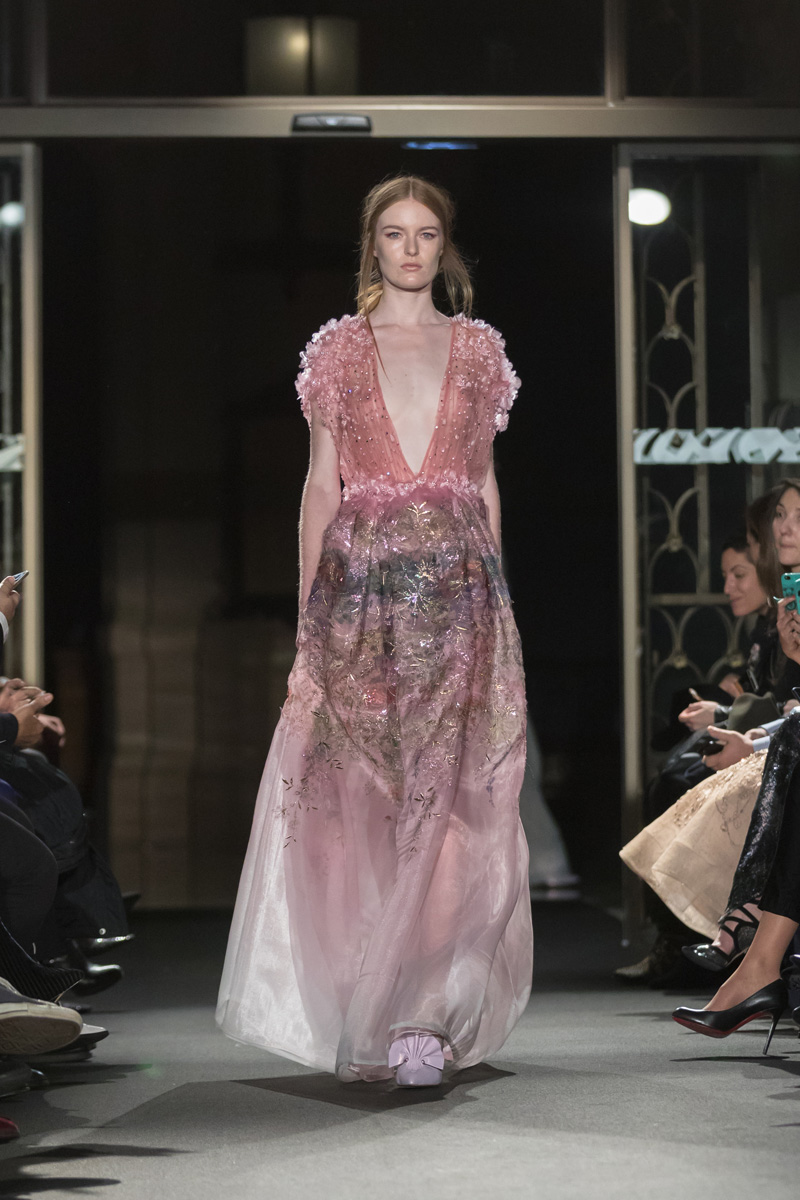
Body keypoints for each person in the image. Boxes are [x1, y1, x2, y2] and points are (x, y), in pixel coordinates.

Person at [217, 175, 532, 1087]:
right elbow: (321, 485)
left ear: (445, 246)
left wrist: (499, 605)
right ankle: (375, 998)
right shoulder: (338, 352)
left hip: (461, 602)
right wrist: (309, 622)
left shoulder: (478, 350)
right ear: (372, 246)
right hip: (359, 602)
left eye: (426, 233)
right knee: (365, 799)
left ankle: (422, 1014)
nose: (411, 249)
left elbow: (484, 480)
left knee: (455, 798)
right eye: (394, 234)